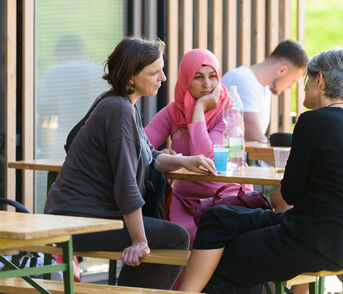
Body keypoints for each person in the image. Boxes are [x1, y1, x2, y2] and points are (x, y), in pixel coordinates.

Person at [179, 48, 343, 294]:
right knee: (219, 216)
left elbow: (290, 194)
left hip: (305, 239)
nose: (305, 87)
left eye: (307, 80)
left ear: (319, 80)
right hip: (340, 245)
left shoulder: (312, 121)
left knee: (227, 253)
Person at [44, 37, 217, 290]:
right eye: (154, 72)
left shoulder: (119, 103)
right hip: (77, 221)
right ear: (131, 77)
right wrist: (139, 240)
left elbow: (149, 157)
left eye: (162, 69)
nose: (164, 77)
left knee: (169, 234)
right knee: (176, 236)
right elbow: (126, 184)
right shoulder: (119, 110)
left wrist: (186, 161)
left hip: (86, 216)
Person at [145, 48, 253, 245]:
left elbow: (207, 158)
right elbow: (139, 145)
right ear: (186, 78)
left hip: (225, 201)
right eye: (198, 77)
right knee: (176, 239)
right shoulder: (174, 110)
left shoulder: (229, 110)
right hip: (183, 202)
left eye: (212, 76)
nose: (207, 84)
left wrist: (199, 108)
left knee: (207, 238)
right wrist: (158, 154)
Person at [221, 39, 308, 211]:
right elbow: (255, 140)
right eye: (293, 80)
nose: (290, 87)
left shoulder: (262, 88)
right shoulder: (242, 81)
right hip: (234, 168)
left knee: (295, 190)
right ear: (282, 70)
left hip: (248, 165)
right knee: (292, 192)